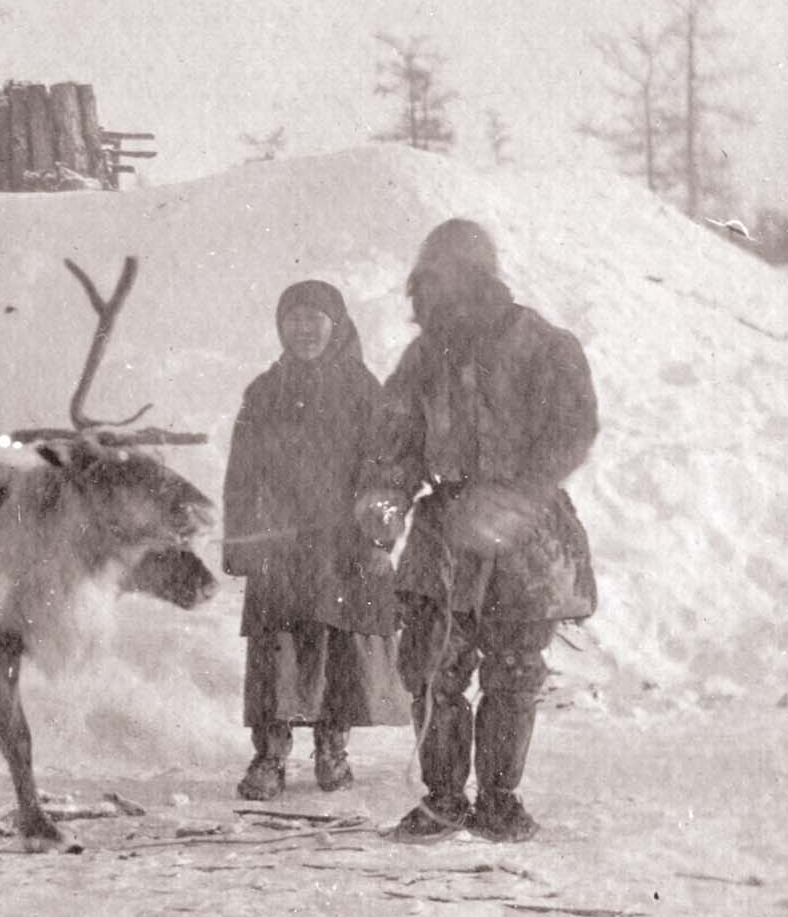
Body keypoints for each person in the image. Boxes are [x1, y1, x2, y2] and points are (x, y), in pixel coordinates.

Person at [359, 220, 598, 844]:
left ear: (479, 280)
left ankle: (499, 800)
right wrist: (385, 502)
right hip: (444, 535)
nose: (435, 296)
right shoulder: (422, 359)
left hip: (526, 534)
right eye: (427, 284)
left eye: (448, 281)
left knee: (514, 671)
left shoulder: (542, 345)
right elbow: (395, 443)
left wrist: (518, 495)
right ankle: (443, 798)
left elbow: (571, 429)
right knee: (431, 666)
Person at [221, 280, 405, 800]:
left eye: (314, 319)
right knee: (276, 649)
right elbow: (242, 475)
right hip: (279, 544)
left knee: (337, 645)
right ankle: (270, 756)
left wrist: (379, 539)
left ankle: (332, 750)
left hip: (342, 543)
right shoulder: (264, 392)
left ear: (336, 324)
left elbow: (385, 470)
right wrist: (241, 540)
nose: (303, 330)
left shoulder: (365, 391)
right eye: (293, 319)